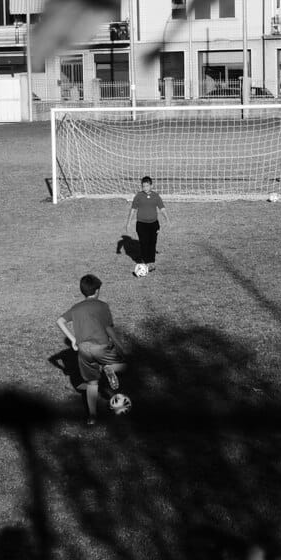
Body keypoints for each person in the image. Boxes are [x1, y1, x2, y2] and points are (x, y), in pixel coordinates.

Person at [55, 274, 128, 426]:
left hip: (83, 349)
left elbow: (60, 321)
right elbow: (109, 329)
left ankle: (92, 417)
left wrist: (73, 339)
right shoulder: (102, 306)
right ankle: (109, 368)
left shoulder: (76, 308)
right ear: (97, 290)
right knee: (125, 365)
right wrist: (120, 347)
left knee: (92, 383)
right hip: (101, 347)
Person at [124, 176, 170, 272]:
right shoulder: (138, 196)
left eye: (147, 186)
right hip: (141, 224)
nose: (145, 188)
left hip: (154, 224)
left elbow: (162, 208)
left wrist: (167, 219)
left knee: (152, 243)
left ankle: (151, 262)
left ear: (151, 186)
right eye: (143, 186)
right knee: (144, 243)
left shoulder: (156, 196)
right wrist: (128, 223)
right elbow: (133, 209)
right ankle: (145, 262)